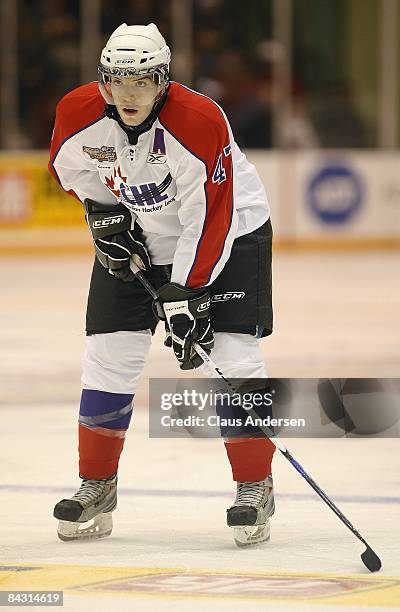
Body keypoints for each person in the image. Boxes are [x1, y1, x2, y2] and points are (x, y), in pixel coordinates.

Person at [49, 23, 275, 547]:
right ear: (103, 81)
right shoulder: (77, 113)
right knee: (108, 355)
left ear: (163, 81)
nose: (128, 94)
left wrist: (188, 294)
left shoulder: (199, 121)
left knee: (234, 356)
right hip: (142, 237)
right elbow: (71, 173)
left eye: (142, 81)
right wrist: (103, 215)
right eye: (117, 80)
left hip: (231, 234)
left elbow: (210, 219)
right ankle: (97, 486)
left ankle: (254, 485)